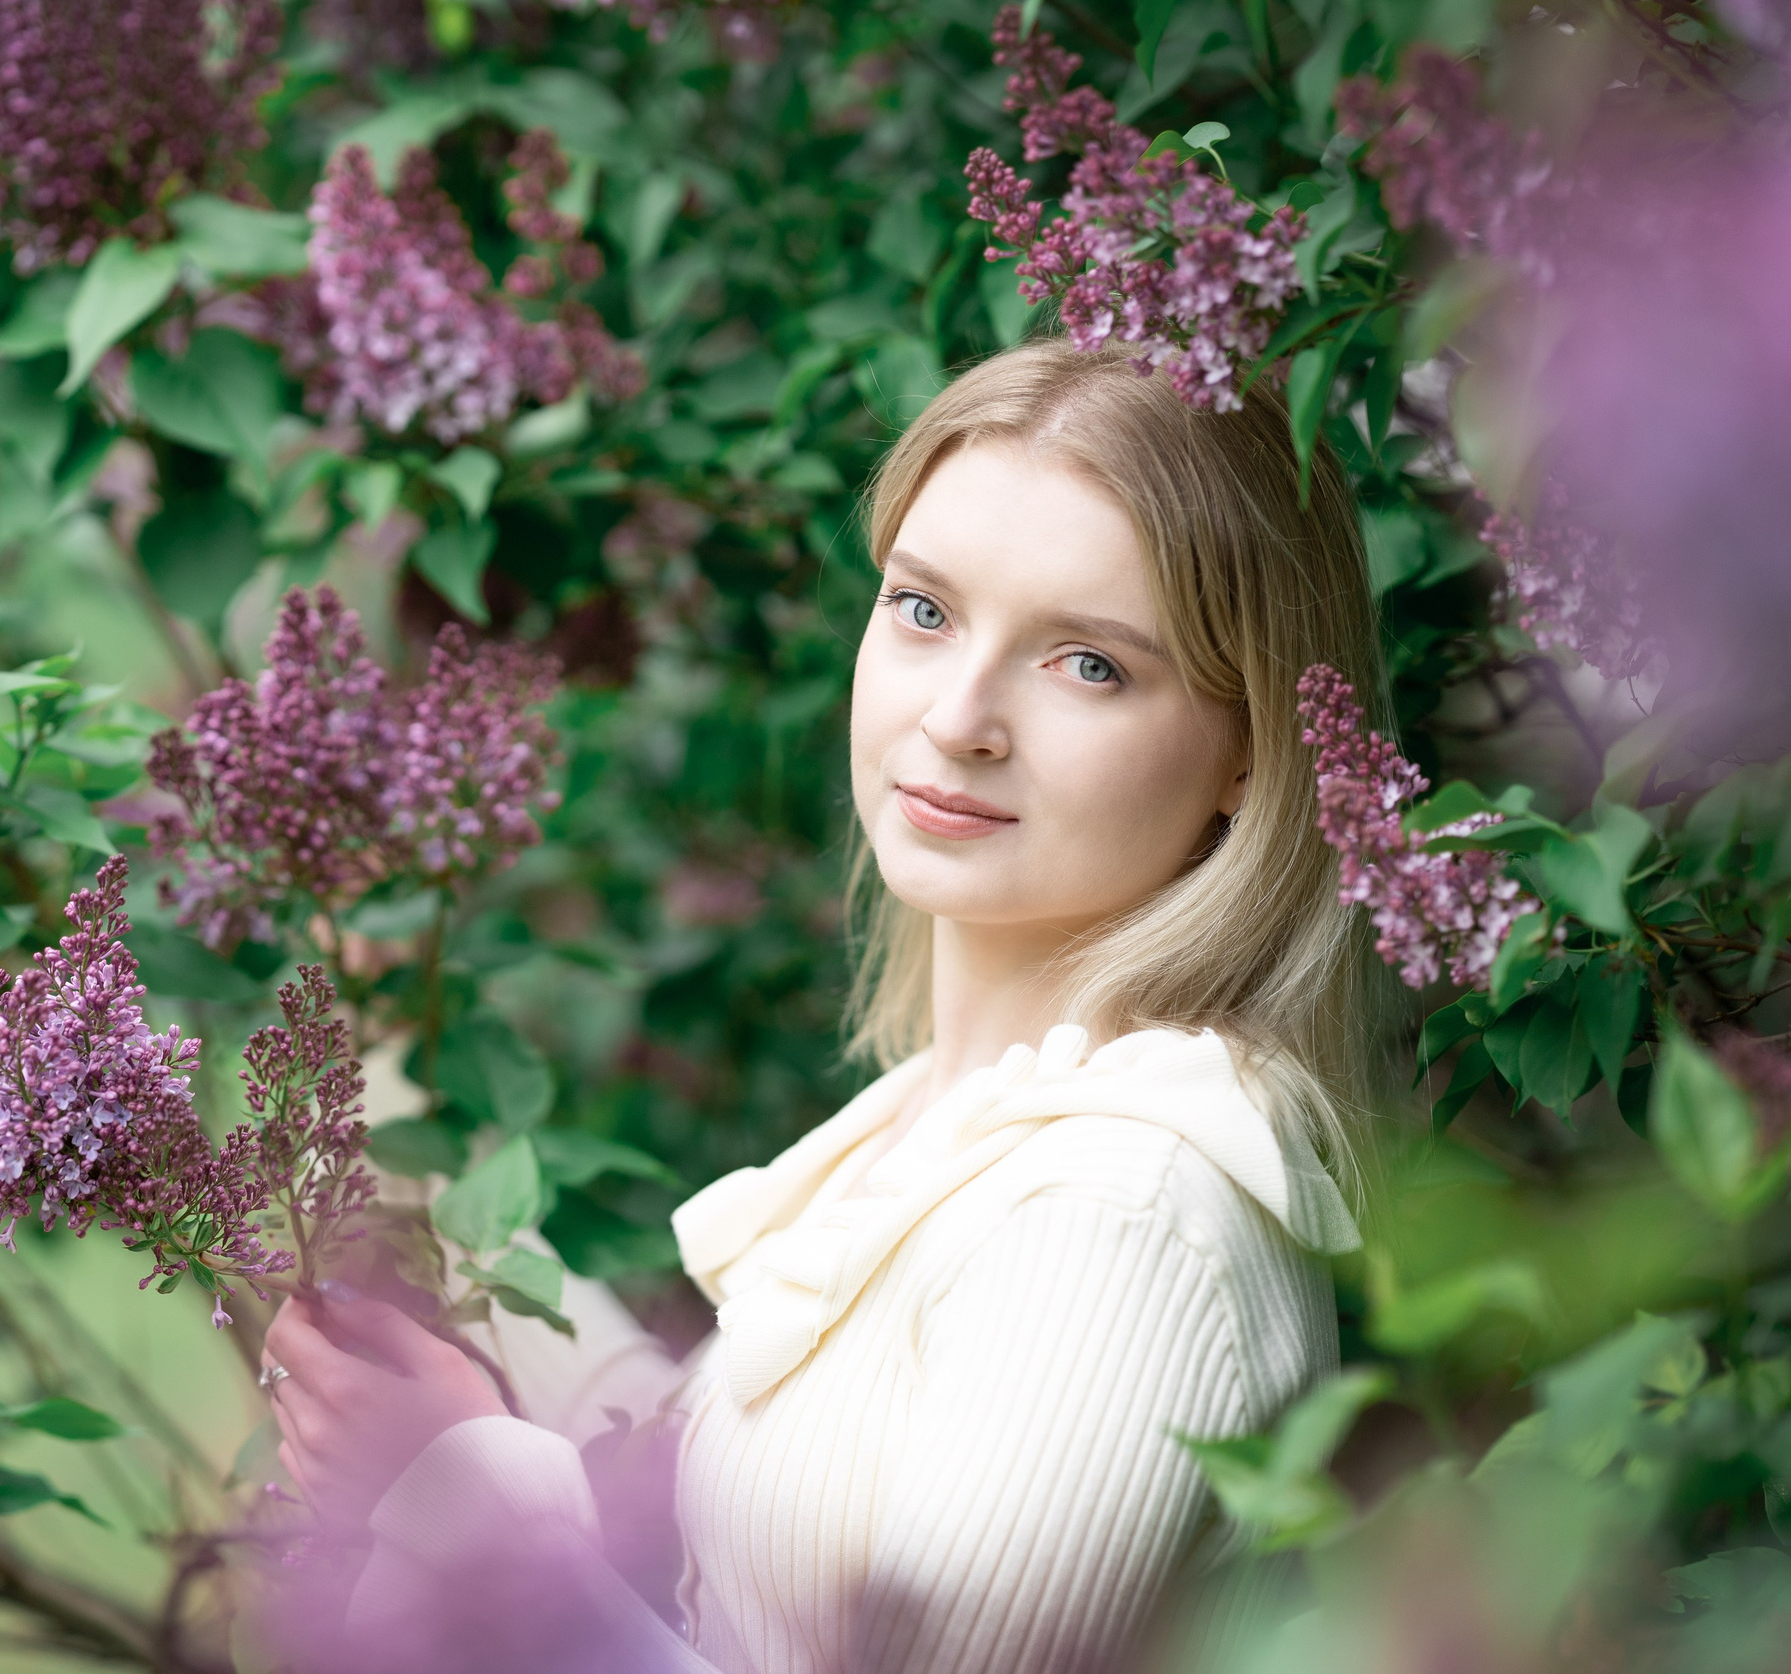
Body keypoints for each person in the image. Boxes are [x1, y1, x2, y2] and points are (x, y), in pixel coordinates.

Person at [258, 338, 1406, 1674]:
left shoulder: (1124, 1210)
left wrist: (463, 1507)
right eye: (925, 610)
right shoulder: (955, 1118)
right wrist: (384, 1079)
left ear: (1249, 752)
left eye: (1088, 663)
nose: (959, 716)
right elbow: (715, 1537)